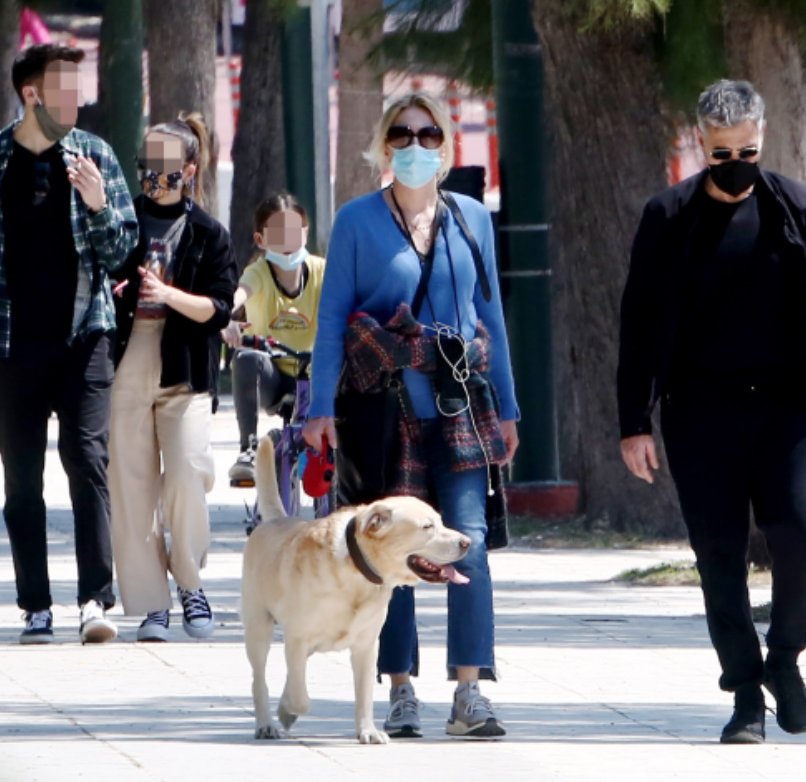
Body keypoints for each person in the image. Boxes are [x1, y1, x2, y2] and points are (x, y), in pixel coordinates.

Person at [618, 79, 806, 744]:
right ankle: (745, 692)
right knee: (718, 555)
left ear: (763, 139)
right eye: (721, 153)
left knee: (802, 531)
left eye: (746, 151)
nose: (735, 164)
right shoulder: (667, 217)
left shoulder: (795, 207)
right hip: (698, 412)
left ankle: (784, 660)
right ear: (700, 144)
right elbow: (635, 324)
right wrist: (633, 422)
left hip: (785, 408)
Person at [304, 92, 520, 739]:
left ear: (446, 145)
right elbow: (330, 321)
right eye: (402, 132)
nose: (416, 144)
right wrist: (318, 407)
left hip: (460, 408)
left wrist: (508, 407)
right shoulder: (356, 221)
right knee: (395, 552)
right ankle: (399, 688)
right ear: (384, 143)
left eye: (429, 134)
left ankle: (470, 691)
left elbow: (493, 320)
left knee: (469, 542)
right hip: (385, 411)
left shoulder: (472, 219)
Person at [0, 44, 137, 645]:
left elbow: (120, 253)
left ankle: (95, 598)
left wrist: (98, 204)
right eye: (62, 89)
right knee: (22, 479)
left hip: (85, 336)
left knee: (87, 461)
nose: (75, 100)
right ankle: (34, 604)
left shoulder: (96, 157)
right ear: (31, 95)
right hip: (12, 347)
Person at [108, 114, 237, 642]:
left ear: (187, 169)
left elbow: (221, 307)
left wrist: (169, 296)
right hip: (128, 357)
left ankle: (190, 582)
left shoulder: (209, 232)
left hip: (185, 367)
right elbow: (100, 266)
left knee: (187, 476)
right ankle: (151, 603)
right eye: (144, 165)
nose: (151, 176)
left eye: (162, 167)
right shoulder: (123, 220)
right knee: (131, 484)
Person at [223, 194, 326, 483]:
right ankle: (249, 448)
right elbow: (238, 294)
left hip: (314, 375)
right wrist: (224, 317)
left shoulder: (322, 271)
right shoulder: (258, 272)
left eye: (294, 230)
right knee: (247, 358)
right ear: (260, 239)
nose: (288, 239)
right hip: (272, 378)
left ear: (306, 232)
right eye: (277, 232)